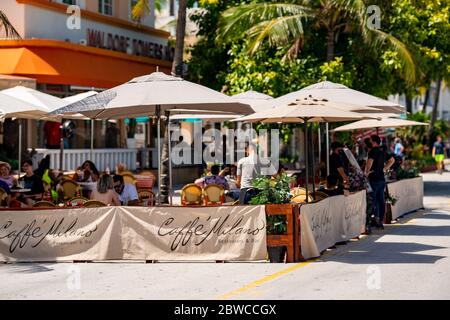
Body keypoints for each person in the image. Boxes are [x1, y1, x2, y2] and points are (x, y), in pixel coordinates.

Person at [365, 135, 395, 229]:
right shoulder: (382, 150)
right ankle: (381, 220)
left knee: (374, 201)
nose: (369, 142)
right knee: (381, 200)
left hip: (374, 179)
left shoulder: (372, 151)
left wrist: (366, 172)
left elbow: (369, 163)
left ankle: (376, 220)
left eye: (370, 140)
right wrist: (384, 169)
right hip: (382, 179)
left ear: (374, 142)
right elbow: (392, 160)